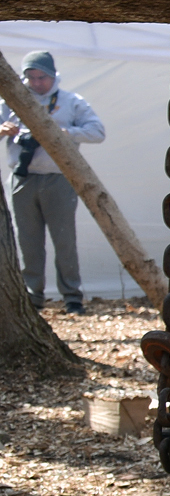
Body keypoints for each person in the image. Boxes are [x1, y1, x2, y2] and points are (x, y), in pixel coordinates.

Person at [2, 50, 105, 314]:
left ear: (53, 75)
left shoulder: (71, 102)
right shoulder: (10, 102)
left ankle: (72, 297)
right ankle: (31, 297)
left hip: (59, 179)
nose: (37, 83)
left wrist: (64, 133)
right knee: (27, 241)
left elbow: (97, 132)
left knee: (64, 240)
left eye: (42, 77)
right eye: (31, 78)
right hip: (23, 178)